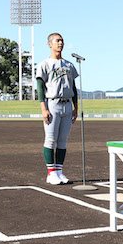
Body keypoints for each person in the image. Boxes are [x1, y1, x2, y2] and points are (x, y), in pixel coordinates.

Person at [36, 33, 78, 185]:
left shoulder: (69, 65)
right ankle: (51, 173)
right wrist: (43, 108)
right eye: (57, 41)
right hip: (52, 103)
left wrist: (75, 107)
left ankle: (59, 172)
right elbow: (40, 87)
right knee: (50, 138)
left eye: (62, 40)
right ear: (49, 44)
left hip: (67, 104)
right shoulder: (45, 64)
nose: (60, 43)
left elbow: (73, 87)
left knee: (63, 140)